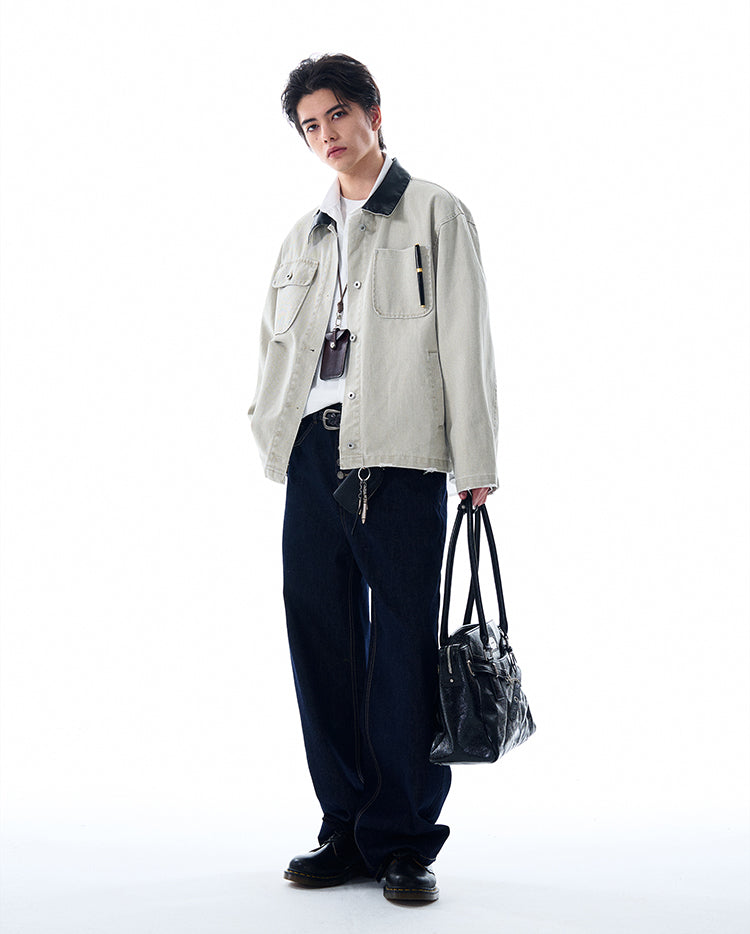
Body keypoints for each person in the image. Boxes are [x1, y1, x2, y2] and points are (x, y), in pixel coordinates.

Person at [247, 53, 499, 903]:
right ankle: (345, 828)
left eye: (337, 116)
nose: (326, 135)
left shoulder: (434, 211)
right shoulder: (304, 234)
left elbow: (465, 337)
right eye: (310, 126)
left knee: (402, 650)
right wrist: (269, 430)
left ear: (373, 113)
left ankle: (402, 840)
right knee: (320, 641)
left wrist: (475, 461)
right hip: (313, 455)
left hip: (398, 452)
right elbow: (274, 346)